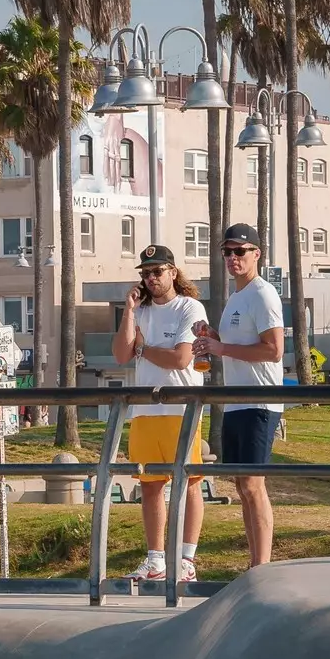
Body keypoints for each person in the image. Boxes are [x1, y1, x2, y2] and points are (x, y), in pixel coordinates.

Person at [114, 245, 208, 583]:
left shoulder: (190, 307)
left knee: (189, 482)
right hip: (145, 410)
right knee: (150, 485)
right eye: (146, 273)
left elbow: (181, 359)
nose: (152, 278)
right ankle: (155, 560)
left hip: (181, 408)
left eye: (158, 271)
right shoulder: (140, 311)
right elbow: (122, 354)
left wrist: (144, 348)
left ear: (173, 272)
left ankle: (186, 559)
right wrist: (128, 312)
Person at [195, 223, 286, 567]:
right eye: (227, 252)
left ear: (256, 254)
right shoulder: (237, 296)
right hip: (236, 402)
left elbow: (274, 350)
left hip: (258, 400)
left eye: (240, 251)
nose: (233, 258)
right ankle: (254, 563)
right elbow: (238, 344)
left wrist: (220, 346)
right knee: (242, 485)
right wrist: (212, 335)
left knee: (253, 484)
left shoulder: (263, 294)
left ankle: (261, 565)